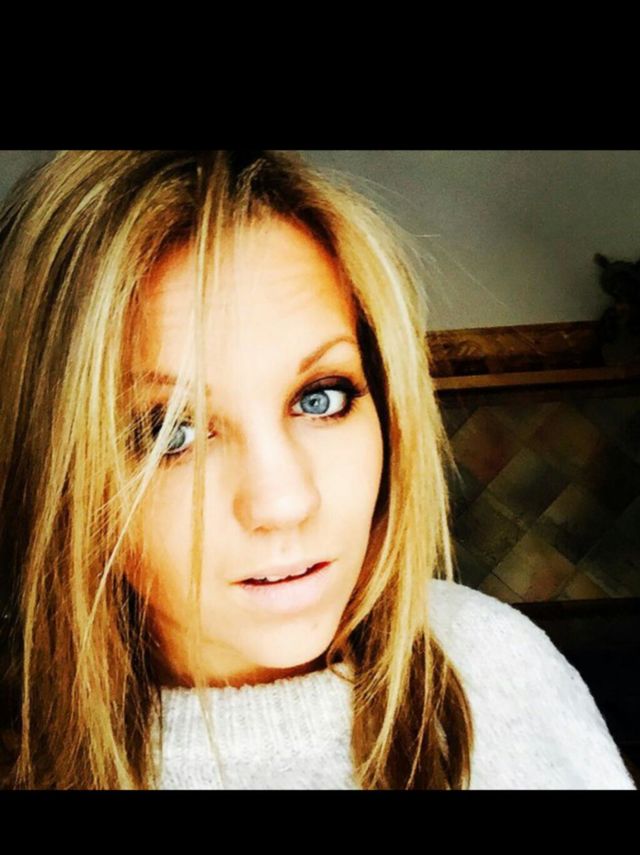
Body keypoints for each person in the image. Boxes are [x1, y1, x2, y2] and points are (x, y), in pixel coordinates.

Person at [0, 150, 634, 790]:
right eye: (171, 433)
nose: (285, 502)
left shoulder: (493, 657)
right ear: (52, 469)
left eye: (321, 398)